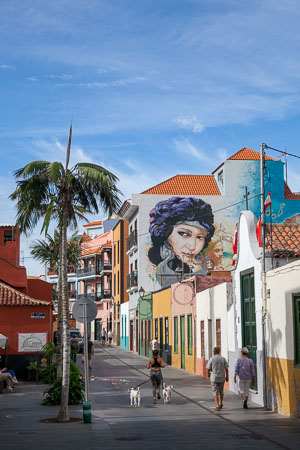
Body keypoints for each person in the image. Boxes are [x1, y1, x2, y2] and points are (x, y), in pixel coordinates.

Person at [148, 197, 215, 279]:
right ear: (166, 232)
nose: (192, 246)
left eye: (200, 237)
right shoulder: (163, 270)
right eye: (184, 234)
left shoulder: (184, 268)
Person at [206, 346, 229, 411]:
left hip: (214, 377)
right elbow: (226, 368)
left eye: (213, 351)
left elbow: (208, 368)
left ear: (214, 352)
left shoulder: (212, 359)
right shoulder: (223, 359)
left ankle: (217, 405)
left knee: (215, 391)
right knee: (221, 391)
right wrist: (227, 376)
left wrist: (208, 375)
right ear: (219, 352)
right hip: (222, 377)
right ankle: (221, 403)